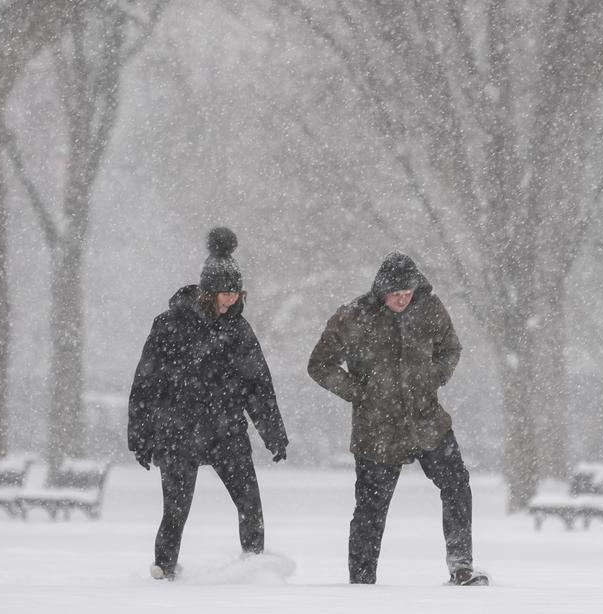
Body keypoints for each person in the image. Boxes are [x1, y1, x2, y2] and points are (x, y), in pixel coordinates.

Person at [308, 251, 488, 586]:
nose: (403, 300)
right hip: (376, 430)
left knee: (457, 485)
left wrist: (435, 375)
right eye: (396, 294)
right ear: (381, 291)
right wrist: (358, 391)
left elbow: (451, 349)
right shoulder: (353, 317)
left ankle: (461, 566)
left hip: (428, 422)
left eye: (407, 293)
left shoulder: (430, 309)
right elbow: (320, 364)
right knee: (370, 509)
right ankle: (362, 582)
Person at [128, 227, 288, 581]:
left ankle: (255, 567)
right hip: (177, 432)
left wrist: (273, 433)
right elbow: (146, 384)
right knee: (175, 510)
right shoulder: (170, 325)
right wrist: (140, 435)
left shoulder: (239, 331)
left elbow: (258, 386)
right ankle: (164, 570)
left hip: (226, 431)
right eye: (225, 293)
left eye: (236, 292)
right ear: (207, 291)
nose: (231, 300)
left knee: (250, 503)